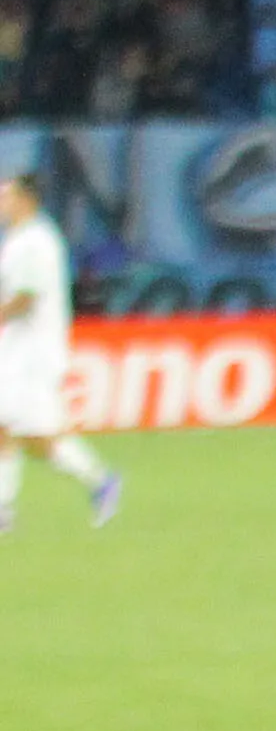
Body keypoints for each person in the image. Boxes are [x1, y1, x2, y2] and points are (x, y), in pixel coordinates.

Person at [0, 168, 119, 530]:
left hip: (35, 354)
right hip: (20, 351)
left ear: (25, 199)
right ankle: (98, 480)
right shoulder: (19, 238)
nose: (2, 202)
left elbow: (26, 297)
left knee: (23, 432)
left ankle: (99, 480)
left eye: (6, 195)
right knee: (19, 433)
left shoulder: (36, 241)